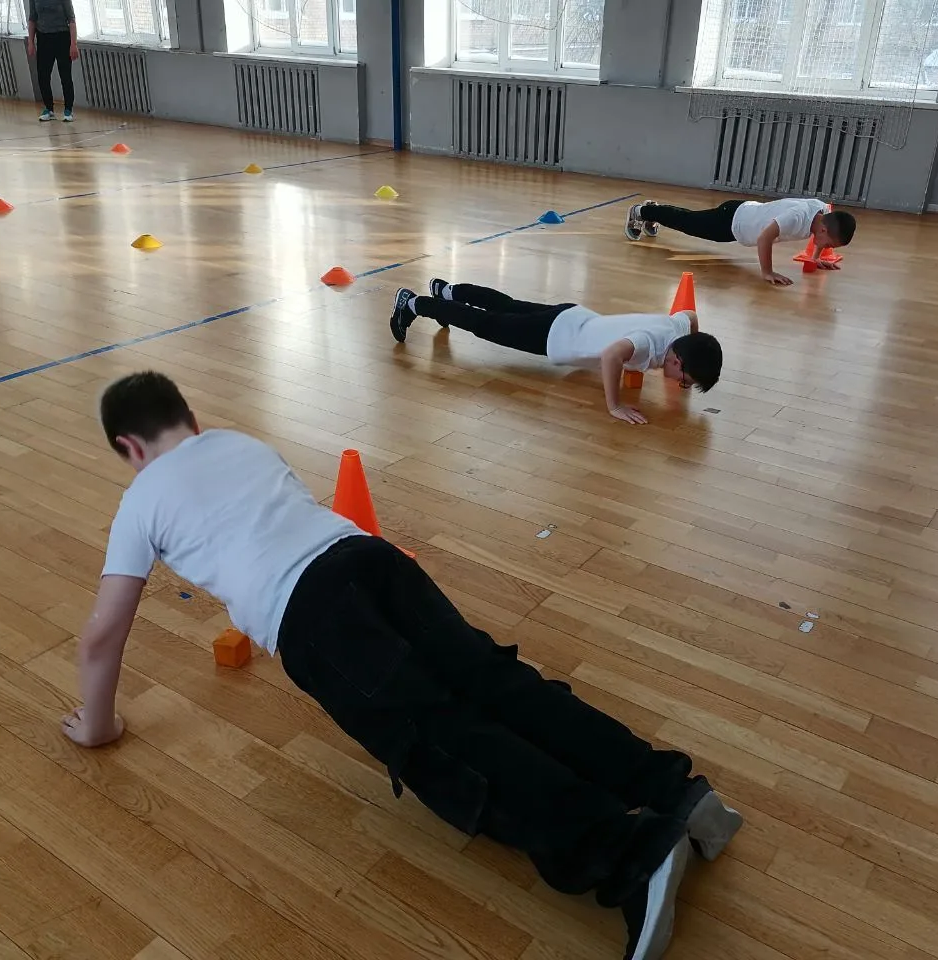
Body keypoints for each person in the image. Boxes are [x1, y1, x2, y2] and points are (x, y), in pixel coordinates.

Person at [65, 371, 744, 960]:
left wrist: (98, 725)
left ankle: (631, 857)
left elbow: (103, 636)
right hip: (370, 559)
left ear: (130, 448)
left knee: (445, 742)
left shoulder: (142, 499)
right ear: (190, 419)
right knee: (499, 685)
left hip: (312, 619)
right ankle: (676, 792)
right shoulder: (239, 443)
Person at [389, 279, 722, 425]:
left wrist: (693, 345)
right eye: (684, 379)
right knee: (486, 324)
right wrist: (615, 405)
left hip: (573, 315)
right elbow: (612, 356)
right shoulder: (648, 344)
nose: (681, 384)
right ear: (677, 360)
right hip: (553, 336)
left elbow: (690, 315)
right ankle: (414, 304)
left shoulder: (678, 330)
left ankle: (447, 290)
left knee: (508, 306)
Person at [625, 198, 856, 287]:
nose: (825, 247)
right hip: (731, 222)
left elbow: (823, 235)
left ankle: (652, 211)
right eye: (828, 245)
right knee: (687, 222)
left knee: (688, 220)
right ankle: (641, 211)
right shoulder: (797, 217)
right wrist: (767, 272)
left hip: (741, 214)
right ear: (823, 229)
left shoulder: (822, 212)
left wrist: (815, 259)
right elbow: (764, 238)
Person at [27, 0, 78, 122]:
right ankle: (49, 109)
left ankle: (68, 109)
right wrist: (30, 42)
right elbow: (32, 19)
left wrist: (73, 44)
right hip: (44, 38)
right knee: (43, 75)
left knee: (65, 75)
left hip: (62, 37)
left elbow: (71, 20)